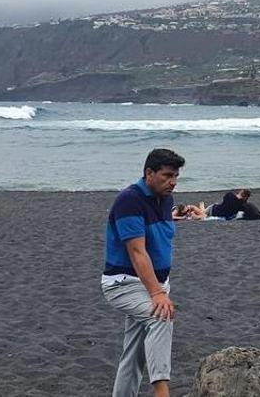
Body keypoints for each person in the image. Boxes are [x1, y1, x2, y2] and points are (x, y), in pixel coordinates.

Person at [101, 148, 184, 397]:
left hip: (154, 284)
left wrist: (175, 216)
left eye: (176, 176)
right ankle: (161, 391)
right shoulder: (129, 200)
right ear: (149, 173)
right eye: (167, 175)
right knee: (161, 316)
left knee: (134, 353)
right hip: (124, 284)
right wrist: (157, 293)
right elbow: (137, 252)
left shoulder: (165, 199)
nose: (173, 182)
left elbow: (155, 229)